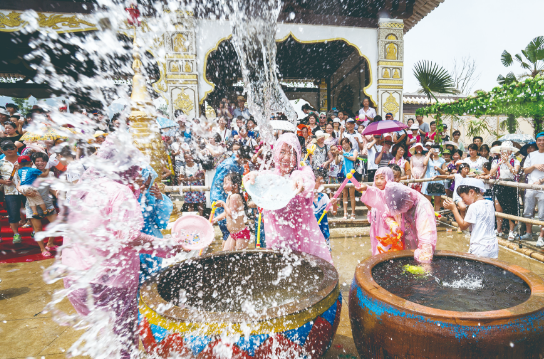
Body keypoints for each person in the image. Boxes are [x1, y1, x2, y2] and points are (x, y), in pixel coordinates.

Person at [58, 139, 186, 359]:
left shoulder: (85, 186)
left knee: (104, 336)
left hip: (75, 278)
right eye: (135, 168)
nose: (137, 174)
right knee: (123, 340)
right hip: (109, 281)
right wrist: (167, 247)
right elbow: (128, 236)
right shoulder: (119, 192)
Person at [243, 133, 333, 264]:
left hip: (304, 244)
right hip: (278, 243)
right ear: (276, 153)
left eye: (291, 153)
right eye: (282, 152)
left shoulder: (304, 171)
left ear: (297, 156)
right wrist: (254, 175)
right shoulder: (270, 177)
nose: (286, 157)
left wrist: (299, 182)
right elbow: (259, 177)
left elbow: (306, 181)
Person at [362, 181, 437, 263]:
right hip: (403, 245)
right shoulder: (394, 199)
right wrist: (393, 225)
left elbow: (426, 241)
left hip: (418, 246)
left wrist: (424, 265)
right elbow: (387, 215)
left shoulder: (423, 207)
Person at [136, 166, 174, 286]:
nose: (144, 187)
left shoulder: (152, 195)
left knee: (152, 281)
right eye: (142, 182)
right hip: (135, 243)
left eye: (147, 184)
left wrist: (160, 199)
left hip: (152, 241)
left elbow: (161, 222)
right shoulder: (126, 196)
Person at [444, 179, 498, 258]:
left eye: (463, 197)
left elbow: (463, 226)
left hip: (479, 247)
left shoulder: (473, 206)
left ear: (472, 192)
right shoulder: (490, 203)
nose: (462, 200)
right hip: (493, 246)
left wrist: (454, 209)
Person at [210, 145, 251, 244]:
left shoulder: (236, 164)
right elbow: (220, 183)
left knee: (229, 228)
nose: (245, 164)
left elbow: (231, 213)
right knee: (226, 228)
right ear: (240, 157)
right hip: (220, 196)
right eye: (245, 161)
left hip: (239, 233)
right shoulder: (229, 165)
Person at [357, 167, 396, 255]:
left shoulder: (391, 194)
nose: (378, 181)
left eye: (382, 178)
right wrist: (366, 197)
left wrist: (367, 189)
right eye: (376, 178)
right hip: (376, 229)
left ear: (389, 179)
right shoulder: (374, 193)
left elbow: (381, 197)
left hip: (387, 230)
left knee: (386, 250)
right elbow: (371, 210)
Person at [489, 141, 520, 241]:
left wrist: (507, 162)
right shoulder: (496, 161)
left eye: (507, 151)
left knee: (511, 209)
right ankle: (499, 229)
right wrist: (499, 164)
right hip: (499, 185)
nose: (504, 153)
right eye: (503, 151)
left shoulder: (515, 161)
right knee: (498, 209)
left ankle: (511, 231)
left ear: (511, 152)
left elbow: (515, 172)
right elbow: (491, 173)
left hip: (510, 185)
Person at [213, 172, 251, 250]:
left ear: (235, 185)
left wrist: (223, 204)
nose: (224, 186)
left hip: (240, 233)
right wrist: (214, 219)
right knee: (226, 254)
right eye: (223, 184)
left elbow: (232, 214)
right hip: (233, 233)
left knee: (240, 258)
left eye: (226, 183)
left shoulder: (234, 197)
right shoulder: (230, 196)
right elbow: (226, 213)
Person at [521, 132, 544, 246]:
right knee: (528, 211)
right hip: (530, 186)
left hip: (542, 188)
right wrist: (534, 166)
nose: (542, 142)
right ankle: (528, 233)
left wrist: (540, 181)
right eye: (539, 140)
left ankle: (541, 237)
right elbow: (525, 170)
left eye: (543, 140)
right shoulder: (531, 155)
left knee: (542, 214)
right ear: (536, 142)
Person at [0, 141, 24, 243]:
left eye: (11, 147)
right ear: (2, 150)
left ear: (16, 149)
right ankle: (16, 234)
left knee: (32, 212)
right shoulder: (1, 162)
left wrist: (22, 167)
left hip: (27, 190)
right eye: (6, 148)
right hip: (10, 192)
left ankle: (35, 232)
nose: (9, 150)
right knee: (13, 213)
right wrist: (4, 182)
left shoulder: (23, 160)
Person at [312, 167, 337, 250]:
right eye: (319, 182)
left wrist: (334, 203)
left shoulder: (324, 197)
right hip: (312, 234)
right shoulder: (307, 199)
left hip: (324, 234)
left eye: (322, 182)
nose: (321, 185)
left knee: (327, 256)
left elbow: (334, 212)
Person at [178, 150, 206, 216]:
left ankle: (201, 217)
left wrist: (196, 178)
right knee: (190, 204)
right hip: (189, 185)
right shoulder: (183, 167)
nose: (188, 159)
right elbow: (180, 178)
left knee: (200, 203)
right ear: (184, 159)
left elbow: (204, 176)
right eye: (186, 158)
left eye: (189, 157)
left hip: (198, 185)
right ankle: (191, 218)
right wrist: (187, 179)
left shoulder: (198, 165)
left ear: (192, 158)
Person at [422, 144, 446, 211]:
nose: (435, 151)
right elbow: (424, 163)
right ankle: (428, 217)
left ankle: (437, 218)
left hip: (438, 181)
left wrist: (439, 169)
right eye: (434, 149)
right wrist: (429, 153)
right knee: (427, 202)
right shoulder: (428, 158)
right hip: (428, 180)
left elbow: (444, 172)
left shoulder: (442, 160)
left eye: (437, 149)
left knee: (437, 202)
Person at [339, 138, 358, 220]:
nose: (344, 145)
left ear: (349, 143)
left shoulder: (354, 150)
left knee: (352, 195)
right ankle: (345, 213)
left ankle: (353, 213)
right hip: (343, 175)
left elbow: (354, 158)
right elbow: (337, 162)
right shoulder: (341, 152)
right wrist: (336, 155)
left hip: (352, 174)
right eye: (342, 144)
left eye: (345, 143)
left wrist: (343, 154)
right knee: (345, 195)